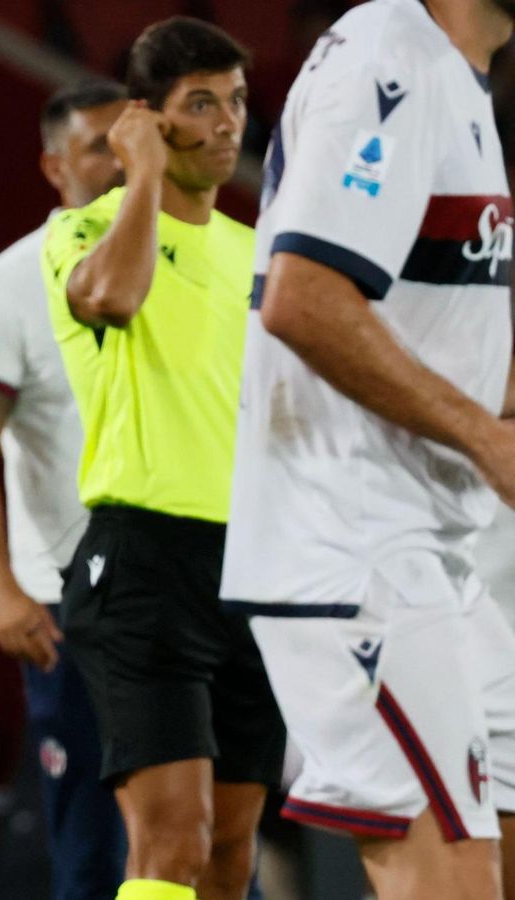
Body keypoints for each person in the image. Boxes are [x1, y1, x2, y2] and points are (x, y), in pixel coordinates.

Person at [221, 0, 515, 897]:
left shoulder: (458, 80)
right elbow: (304, 298)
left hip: (444, 552)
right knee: (451, 884)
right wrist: (486, 441)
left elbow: (460, 349)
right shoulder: (388, 56)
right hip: (356, 544)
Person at [41, 19, 284, 900]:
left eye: (237, 102)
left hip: (251, 565)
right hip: (141, 561)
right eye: (201, 104)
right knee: (171, 846)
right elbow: (115, 294)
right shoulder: (85, 232)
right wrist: (140, 171)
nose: (228, 124)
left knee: (228, 855)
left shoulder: (255, 253)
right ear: (147, 118)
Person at [0, 80, 128, 900]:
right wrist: (2, 591)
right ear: (54, 167)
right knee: (88, 847)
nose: (123, 160)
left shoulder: (196, 267)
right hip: (67, 608)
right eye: (98, 146)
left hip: (189, 597)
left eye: (135, 139)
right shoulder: (7, 285)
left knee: (214, 838)